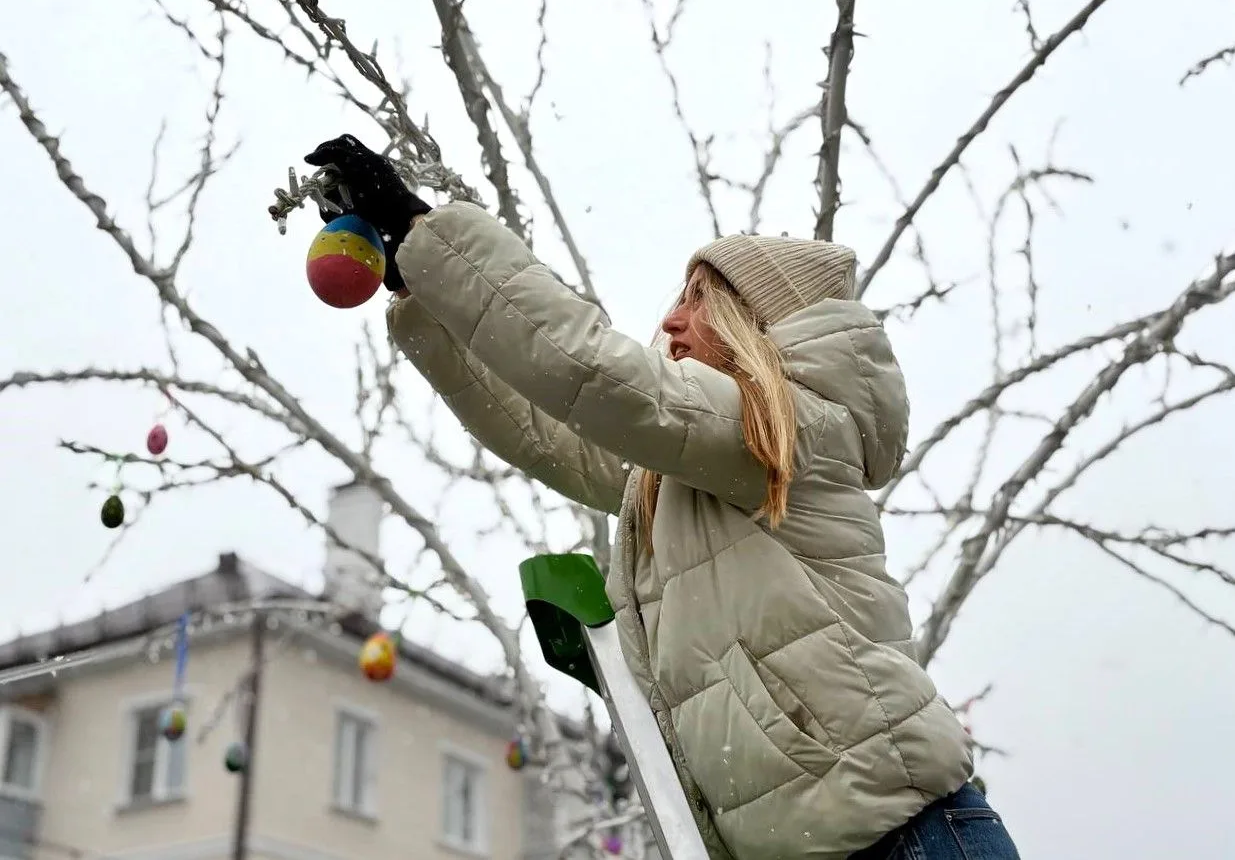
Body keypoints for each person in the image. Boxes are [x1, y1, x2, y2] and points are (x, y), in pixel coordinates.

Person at [303, 135, 1022, 860]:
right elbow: (547, 431)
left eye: (699, 301)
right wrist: (417, 292)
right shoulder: (694, 474)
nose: (671, 320)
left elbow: (595, 374)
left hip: (909, 842)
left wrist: (428, 230)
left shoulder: (792, 430)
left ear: (756, 327)